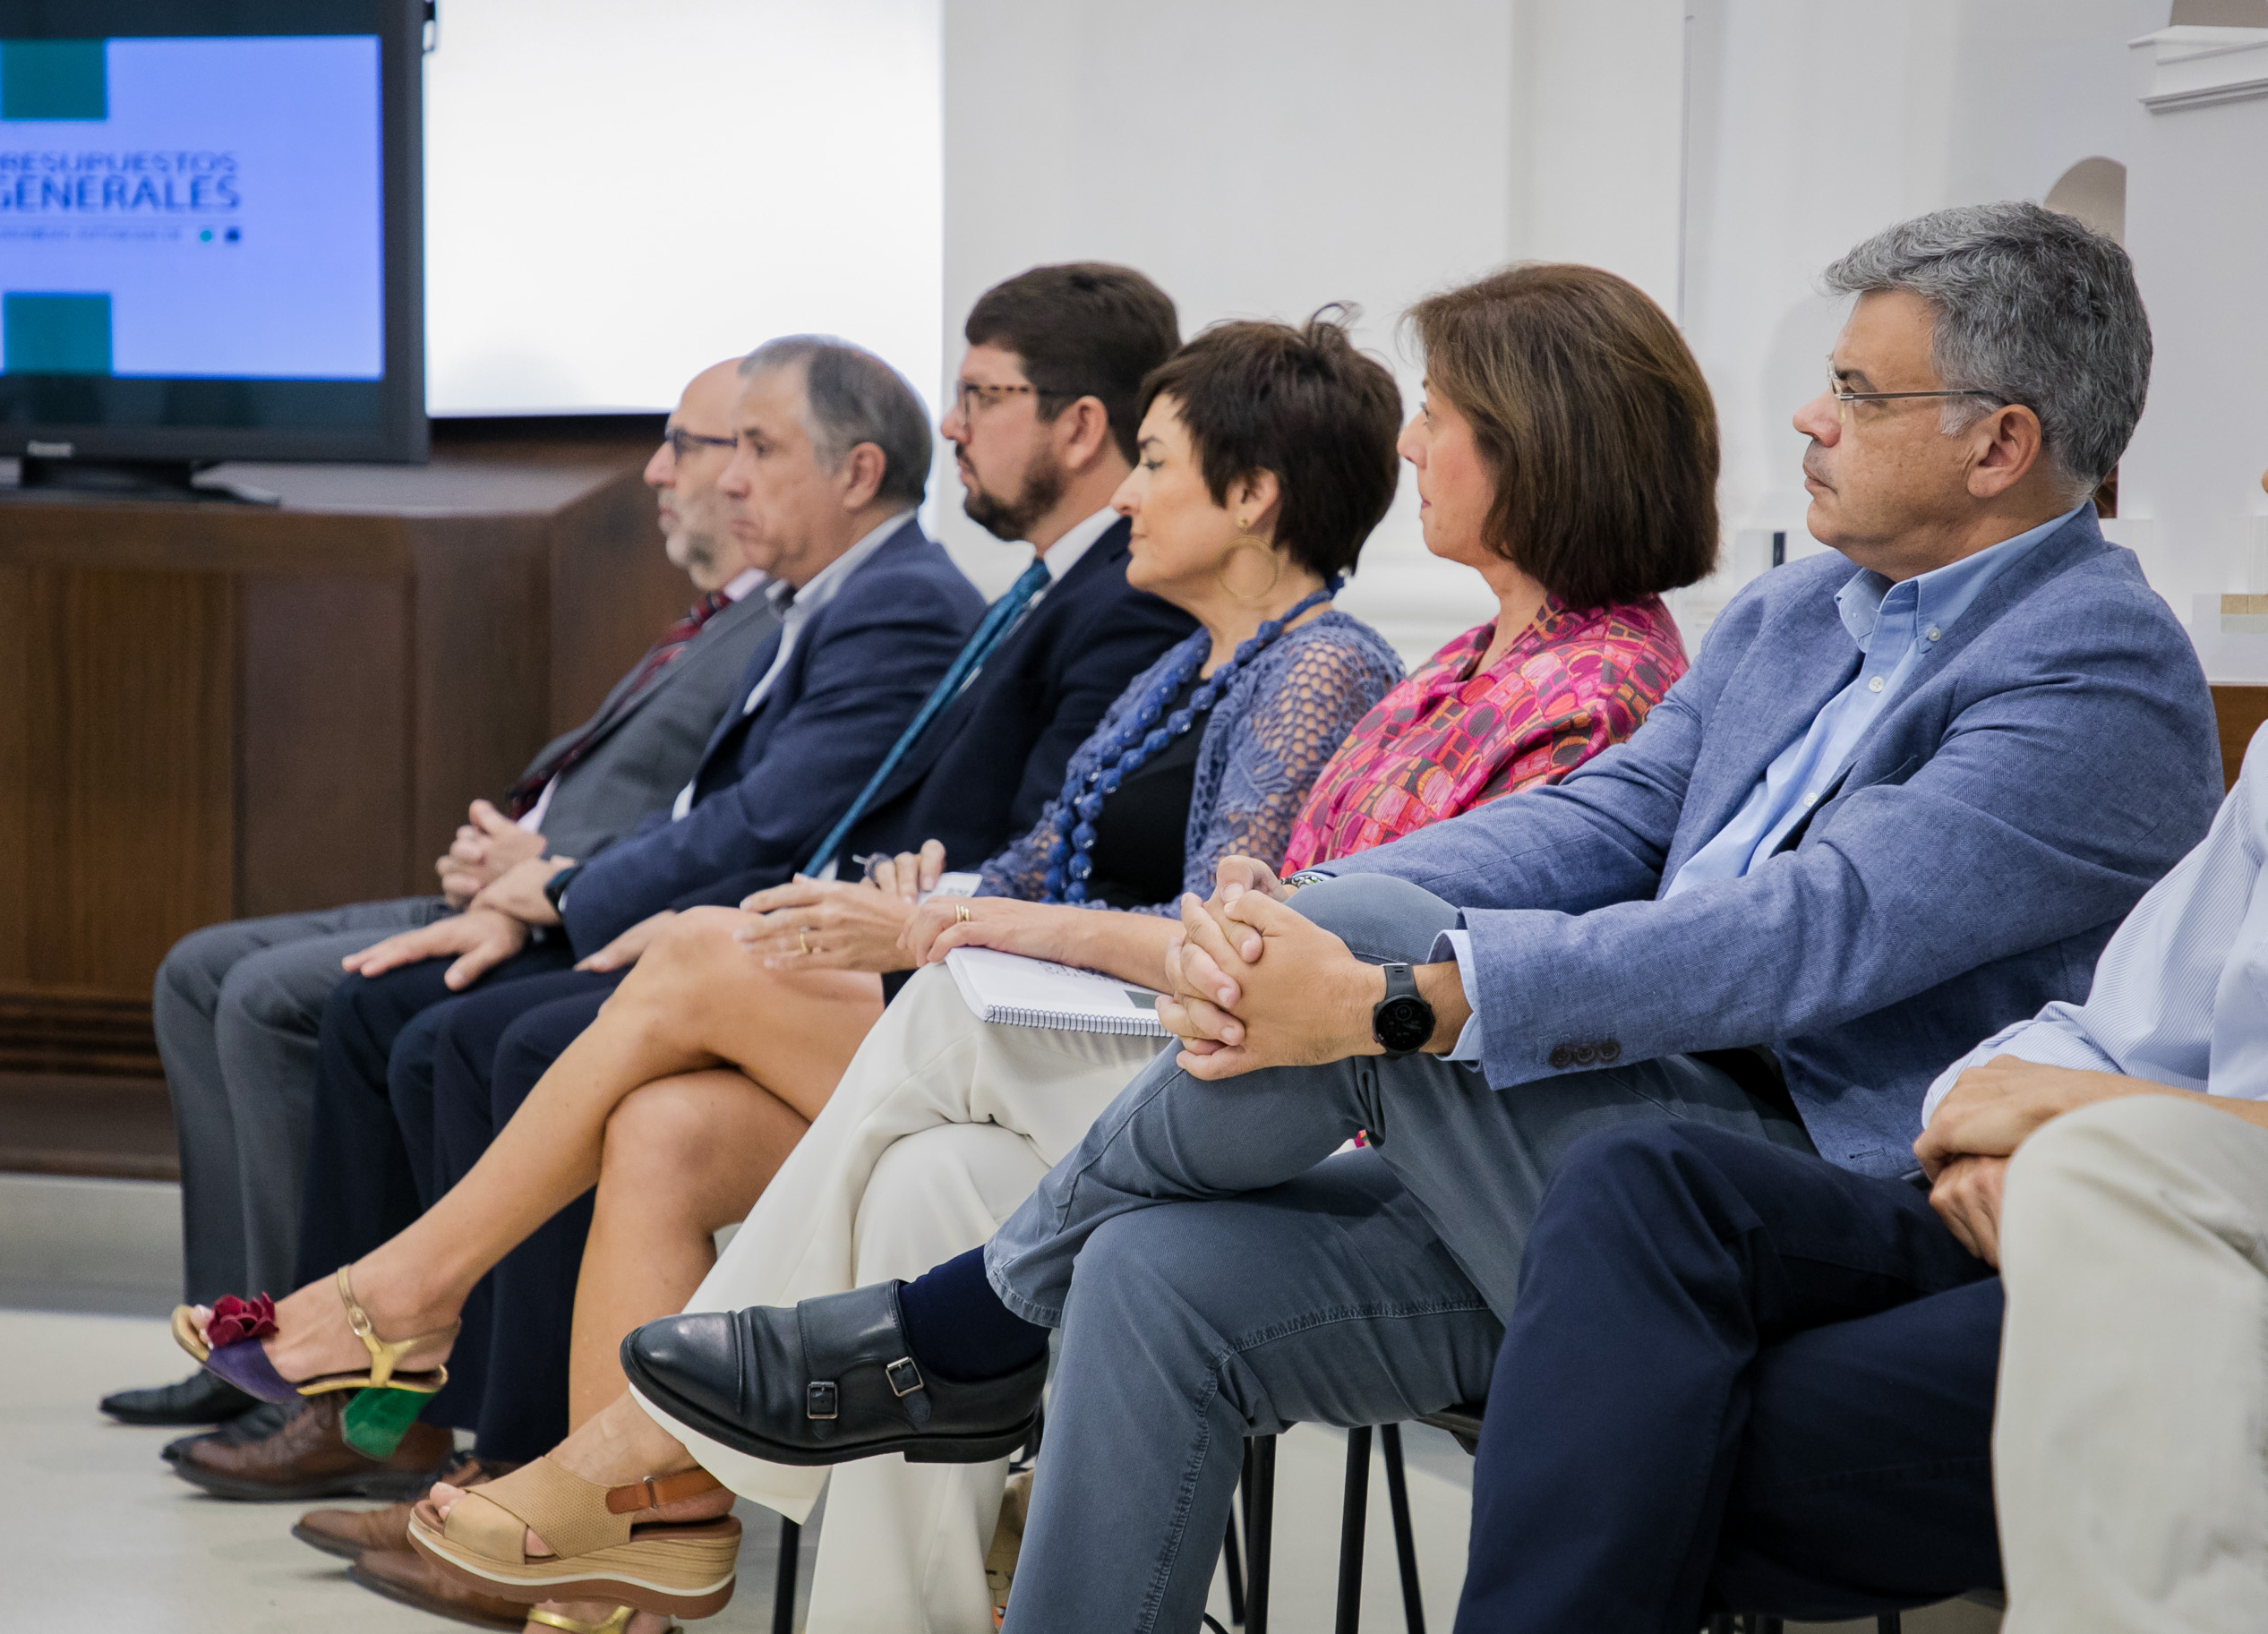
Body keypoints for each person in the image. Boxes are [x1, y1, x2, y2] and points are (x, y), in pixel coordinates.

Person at [625, 203, 2222, 1634]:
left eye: (1858, 394)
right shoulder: (1806, 608)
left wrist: (1412, 987)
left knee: (1366, 937)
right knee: (1152, 1279)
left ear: (1997, 443)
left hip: (1793, 1194)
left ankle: (957, 1333)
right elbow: (1608, 822)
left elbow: (1805, 931)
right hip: (1579, 1150)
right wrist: (1301, 920)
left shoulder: (2092, 670)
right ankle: (966, 1342)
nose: (1806, 416)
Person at [432, 265, 1729, 1634]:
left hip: (1374, 1126)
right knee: (930, 1173)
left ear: (1542, 443)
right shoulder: (1453, 663)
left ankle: (639, 1455)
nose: (1413, 442)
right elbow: (1263, 898)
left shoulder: (1586, 688)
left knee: (923, 1013)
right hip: (1243, 1072)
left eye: (1445, 414)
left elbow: (1369, 945)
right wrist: (999, 904)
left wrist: (990, 923)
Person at [189, 307, 1407, 1629]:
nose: (1127, 491)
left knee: (706, 953)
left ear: (1255, 497)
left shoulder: (1321, 670)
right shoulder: (1185, 663)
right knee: (665, 1127)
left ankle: (426, 1306)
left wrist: (950, 929)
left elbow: (1214, 935)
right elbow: (1033, 866)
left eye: (1157, 463)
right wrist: (912, 906)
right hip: (1042, 1029)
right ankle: (633, 1551)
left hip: (1159, 1079)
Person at [164, 334, 990, 1499]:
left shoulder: (898, 600)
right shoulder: (817, 599)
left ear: (856, 472)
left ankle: (514, 1448)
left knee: (486, 1036)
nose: (726, 478)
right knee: (396, 1011)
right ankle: (417, 1416)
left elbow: (766, 824)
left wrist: (554, 886)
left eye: (756, 448)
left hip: (797, 948)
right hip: (726, 924)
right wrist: (539, 881)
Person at [1451, 723, 2268, 1633]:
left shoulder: (2091, 655)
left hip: (2204, 1253)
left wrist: (2084, 1122)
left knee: (1624, 1443)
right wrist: (1993, 1130)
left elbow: (1827, 920)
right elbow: (2099, 1028)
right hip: (2060, 1190)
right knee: (1640, 1174)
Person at [103, 359, 778, 1432]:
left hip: (573, 904)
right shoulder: (723, 617)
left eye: (693, 446)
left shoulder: (798, 622)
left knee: (289, 997)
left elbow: (734, 821)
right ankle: (253, 1341)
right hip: (536, 886)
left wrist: (544, 875)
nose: (662, 470)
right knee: (199, 968)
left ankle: (326, 1383)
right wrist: (519, 857)